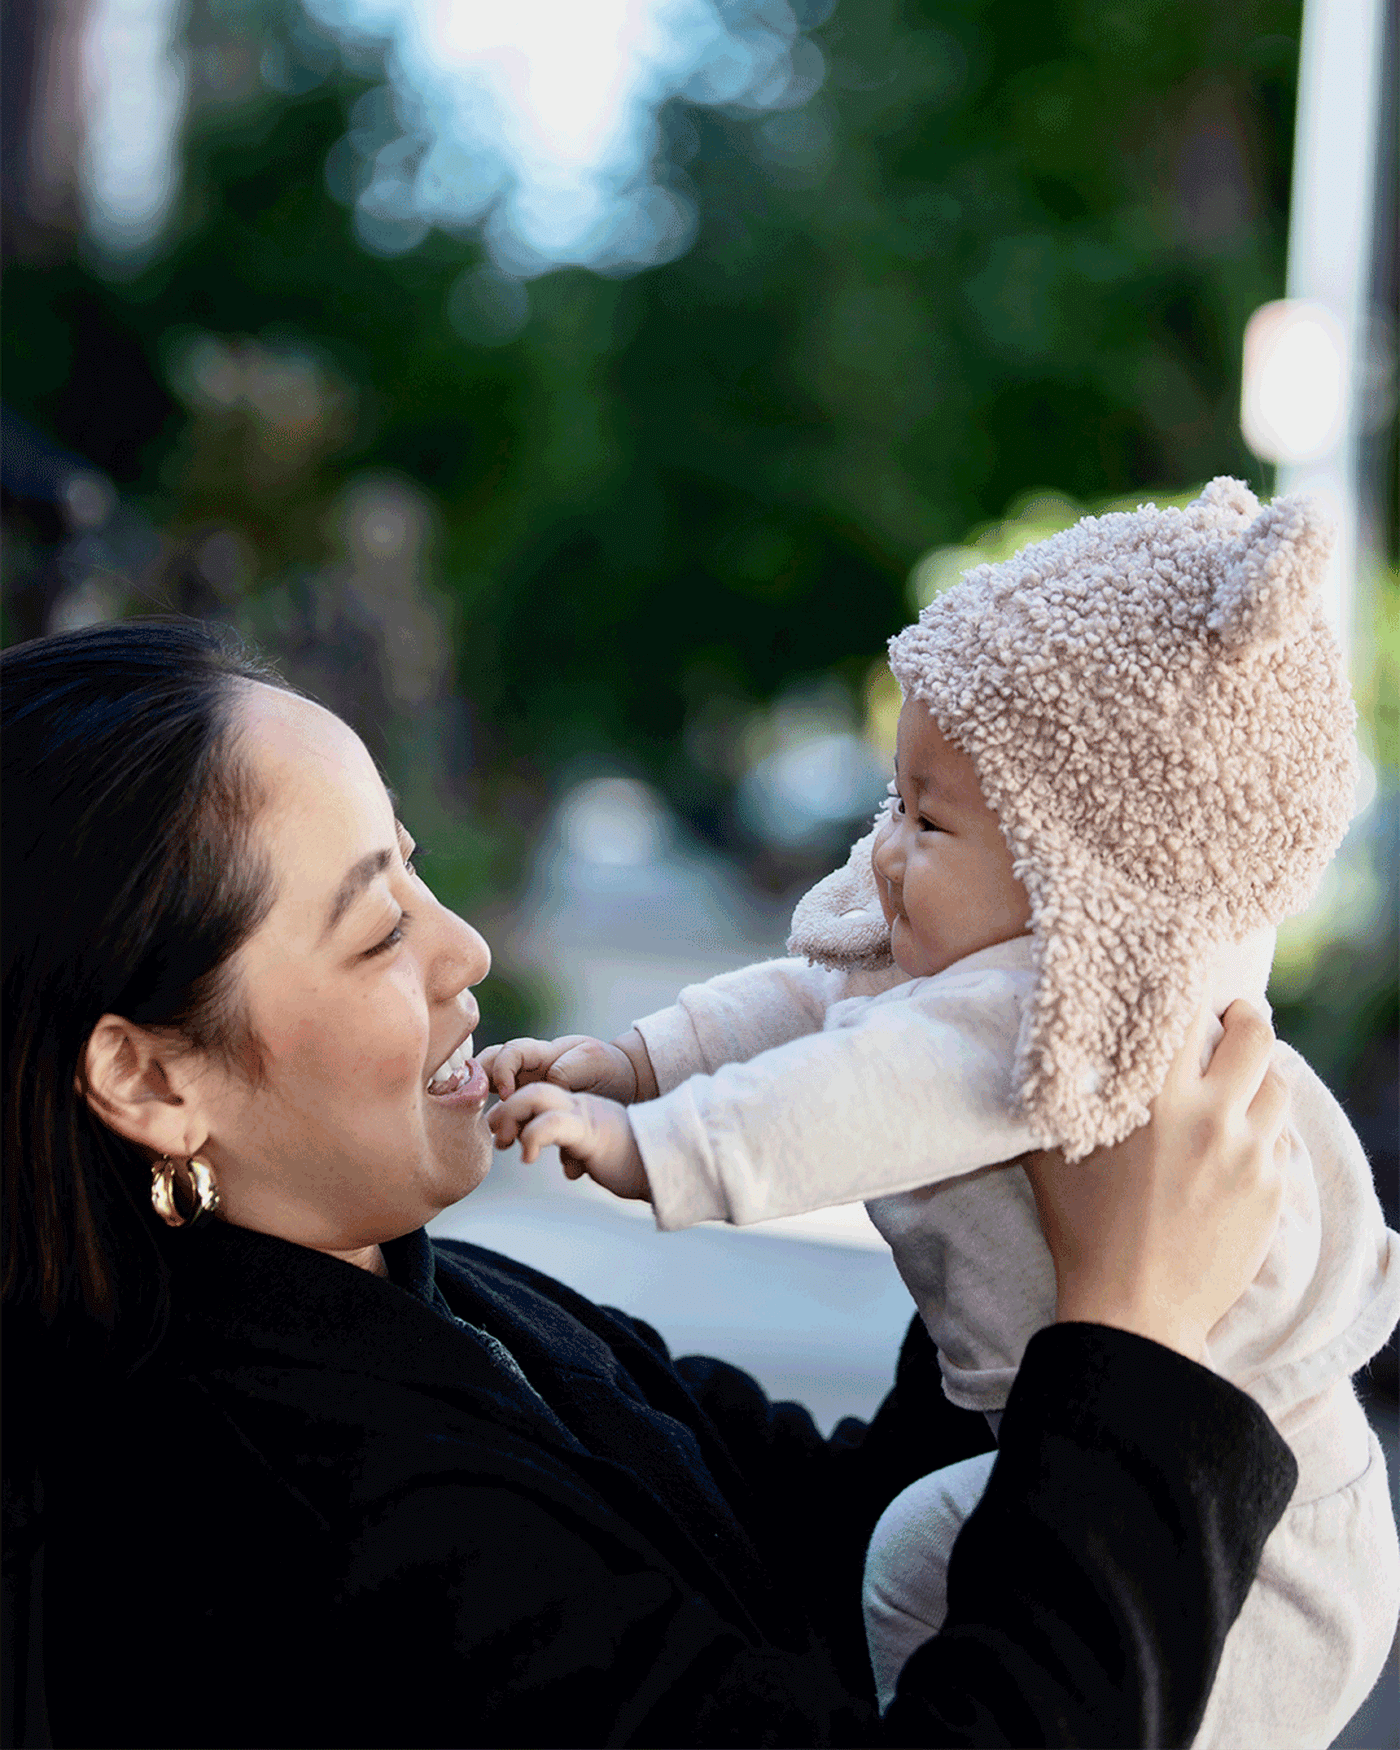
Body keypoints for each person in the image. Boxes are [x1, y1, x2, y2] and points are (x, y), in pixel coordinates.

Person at [1, 619, 1300, 1750]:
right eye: (378, 928)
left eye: (414, 867)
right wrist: (1130, 1331)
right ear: (150, 1078)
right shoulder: (289, 1533)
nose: (467, 945)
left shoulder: (441, 1301)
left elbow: (836, 1544)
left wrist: (1009, 1228)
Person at [485, 480, 1400, 1747]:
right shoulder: (965, 952)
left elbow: (848, 1091)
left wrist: (655, 1144)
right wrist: (635, 1061)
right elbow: (805, 1002)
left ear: (1074, 853)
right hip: (1182, 1466)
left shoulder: (1056, 998)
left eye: (928, 818)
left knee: (921, 1557)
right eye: (890, 801)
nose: (881, 853)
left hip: (1256, 1532)